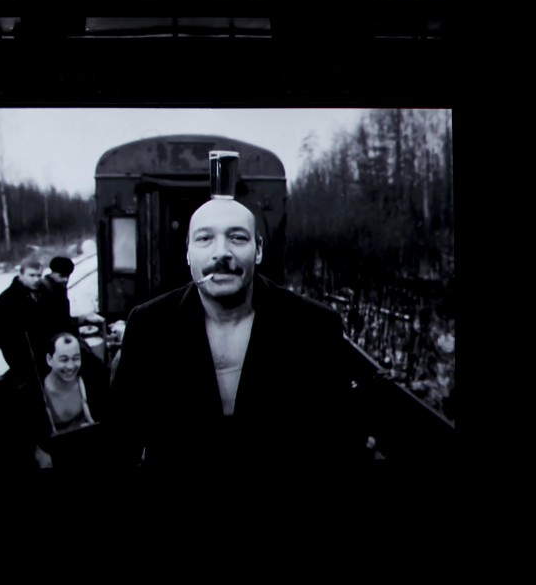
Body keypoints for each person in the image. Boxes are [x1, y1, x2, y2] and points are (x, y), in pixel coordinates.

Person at [109, 198, 376, 472]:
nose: (221, 253)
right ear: (188, 253)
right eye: (205, 239)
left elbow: (340, 445)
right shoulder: (149, 326)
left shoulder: (314, 326)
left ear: (258, 250)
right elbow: (119, 445)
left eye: (237, 238)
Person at [0, 332, 111, 473]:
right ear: (49, 359)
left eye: (76, 358)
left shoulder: (92, 384)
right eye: (63, 359)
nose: (70, 366)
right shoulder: (32, 395)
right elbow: (20, 435)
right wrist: (37, 450)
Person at [0, 255, 79, 384]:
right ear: (20, 274)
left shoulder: (43, 292)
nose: (36, 279)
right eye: (31, 275)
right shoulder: (7, 299)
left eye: (39, 275)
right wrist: (17, 347)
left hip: (45, 354)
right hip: (22, 357)